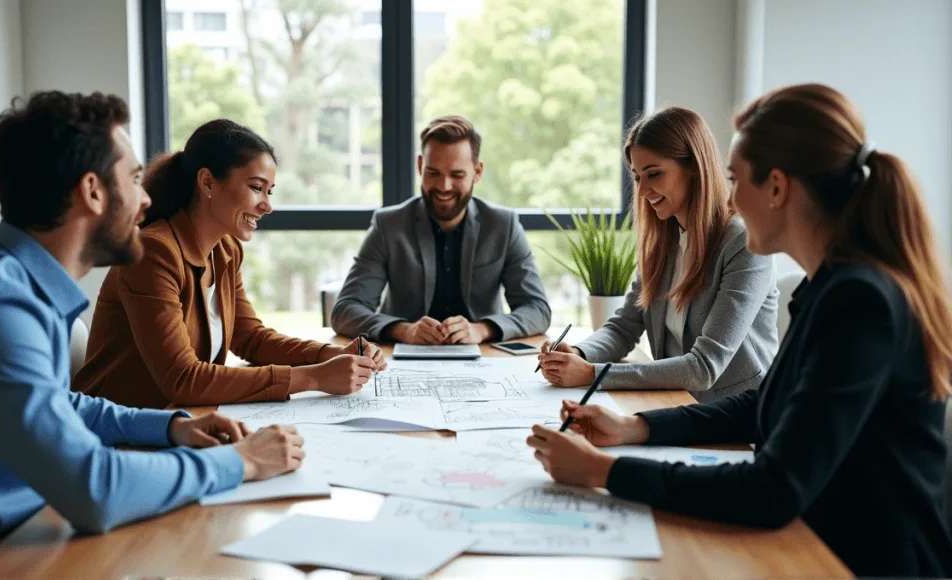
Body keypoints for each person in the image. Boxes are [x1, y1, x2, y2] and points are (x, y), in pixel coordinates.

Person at [526, 84, 952, 577]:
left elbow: (773, 489)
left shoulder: (862, 302)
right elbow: (766, 401)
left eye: (734, 178)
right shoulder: (830, 287)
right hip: (816, 539)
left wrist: (603, 472)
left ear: (776, 186)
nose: (728, 196)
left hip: (857, 562)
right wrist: (636, 427)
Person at [0, 92, 306, 576]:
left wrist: (170, 427)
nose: (147, 197)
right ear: (92, 191)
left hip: (31, 534)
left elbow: (59, 404)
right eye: (132, 179)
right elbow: (95, 490)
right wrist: (241, 462)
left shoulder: (16, 287)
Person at [72, 119, 386, 409]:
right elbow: (183, 380)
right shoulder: (153, 252)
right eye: (256, 187)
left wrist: (329, 354)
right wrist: (314, 377)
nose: (267, 205)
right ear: (208, 182)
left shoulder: (225, 250)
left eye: (269, 191)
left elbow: (250, 338)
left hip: (179, 421)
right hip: (119, 435)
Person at [538, 107, 778, 403]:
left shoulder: (742, 244)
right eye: (638, 177)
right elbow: (624, 328)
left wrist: (592, 374)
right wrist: (578, 353)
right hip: (675, 402)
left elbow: (704, 367)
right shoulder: (664, 244)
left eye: (654, 174)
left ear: (695, 168)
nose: (642, 192)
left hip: (738, 417)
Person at [330, 115, 551, 344]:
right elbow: (345, 311)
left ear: (477, 172)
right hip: (401, 360)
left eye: (457, 175)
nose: (444, 186)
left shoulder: (503, 225)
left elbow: (538, 309)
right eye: (433, 173)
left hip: (485, 358)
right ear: (419, 166)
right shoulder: (388, 225)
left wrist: (482, 329)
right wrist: (403, 330)